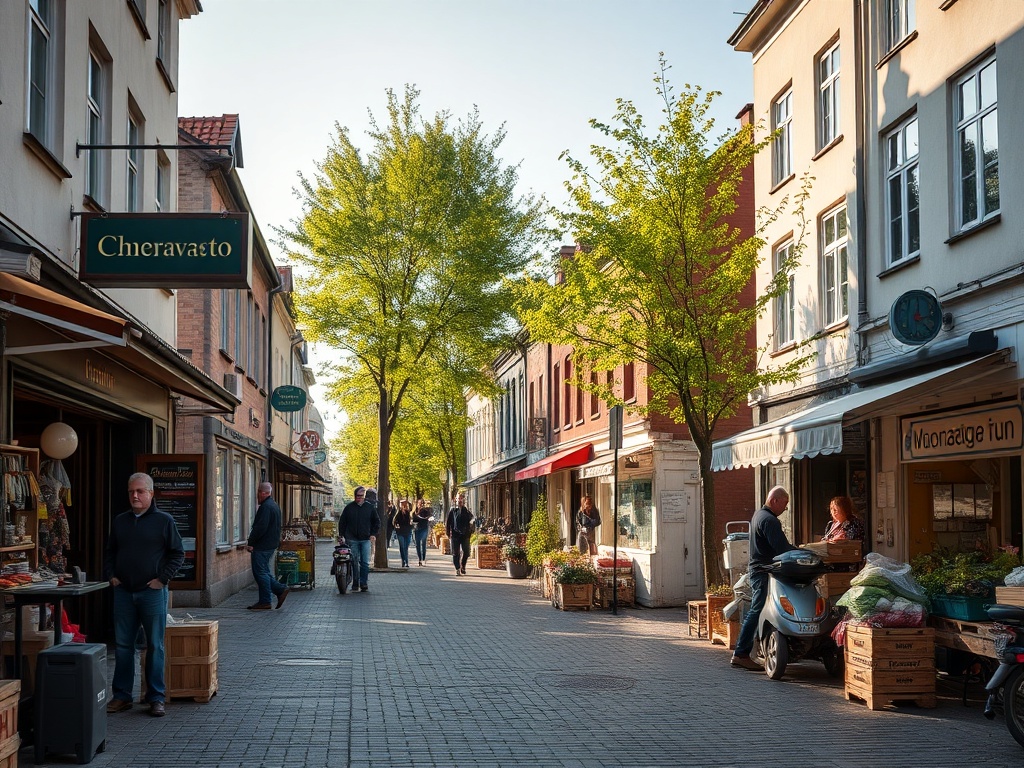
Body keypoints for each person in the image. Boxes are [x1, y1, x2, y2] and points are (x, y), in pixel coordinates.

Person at [103, 472, 184, 717]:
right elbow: (110, 552)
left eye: (140, 491)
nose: (135, 496)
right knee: (124, 646)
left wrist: (162, 579)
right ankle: (122, 696)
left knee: (155, 646)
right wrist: (111, 576)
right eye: (131, 492)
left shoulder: (164, 521)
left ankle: (156, 697)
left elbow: (177, 554)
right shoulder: (120, 521)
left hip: (151, 593)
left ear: (151, 493)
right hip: (124, 593)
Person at [730, 485, 797, 671]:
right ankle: (741, 653)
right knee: (757, 609)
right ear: (775, 500)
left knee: (758, 609)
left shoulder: (759, 515)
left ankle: (749, 649)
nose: (786, 509)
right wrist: (803, 551)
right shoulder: (770, 521)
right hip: (762, 571)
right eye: (785, 504)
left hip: (758, 570)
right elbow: (782, 549)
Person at [245, 481, 290, 610]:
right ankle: (280, 590)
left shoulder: (266, 507)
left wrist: (251, 542)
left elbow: (261, 527)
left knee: (260, 573)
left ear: (263, 493)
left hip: (263, 545)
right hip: (271, 543)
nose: (257, 496)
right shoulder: (274, 505)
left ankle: (265, 600)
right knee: (264, 571)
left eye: (259, 493)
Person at [339, 486, 379, 592]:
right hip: (352, 539)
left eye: (361, 496)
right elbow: (342, 522)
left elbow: (376, 522)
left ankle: (364, 582)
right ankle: (355, 583)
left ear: (364, 497)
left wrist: (373, 534)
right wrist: (341, 535)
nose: (358, 498)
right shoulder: (349, 508)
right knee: (354, 561)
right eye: (357, 496)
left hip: (365, 538)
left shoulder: (370, 508)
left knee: (364, 562)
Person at [446, 491, 474, 576]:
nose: (459, 500)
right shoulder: (453, 511)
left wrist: (470, 530)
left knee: (466, 552)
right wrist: (448, 533)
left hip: (465, 535)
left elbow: (472, 521)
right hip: (455, 535)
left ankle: (463, 565)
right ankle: (457, 568)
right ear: (456, 500)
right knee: (456, 553)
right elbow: (448, 523)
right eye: (458, 498)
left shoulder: (466, 511)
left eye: (461, 498)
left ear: (463, 500)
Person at [393, 499, 413, 568]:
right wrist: (396, 527)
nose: (403, 506)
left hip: (408, 532)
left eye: (404, 504)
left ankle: (406, 561)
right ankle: (404, 561)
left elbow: (411, 508)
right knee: (402, 547)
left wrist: (407, 502)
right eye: (402, 504)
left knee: (406, 547)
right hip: (400, 532)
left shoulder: (408, 513)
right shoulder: (398, 513)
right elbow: (394, 521)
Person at [412, 499, 432, 565]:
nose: (421, 504)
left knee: (423, 543)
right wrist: (417, 513)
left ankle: (423, 559)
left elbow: (429, 517)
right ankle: (419, 559)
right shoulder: (415, 511)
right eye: (420, 503)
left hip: (424, 528)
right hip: (417, 529)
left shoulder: (426, 510)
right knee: (417, 545)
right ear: (417, 504)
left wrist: (428, 518)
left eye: (422, 503)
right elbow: (413, 519)